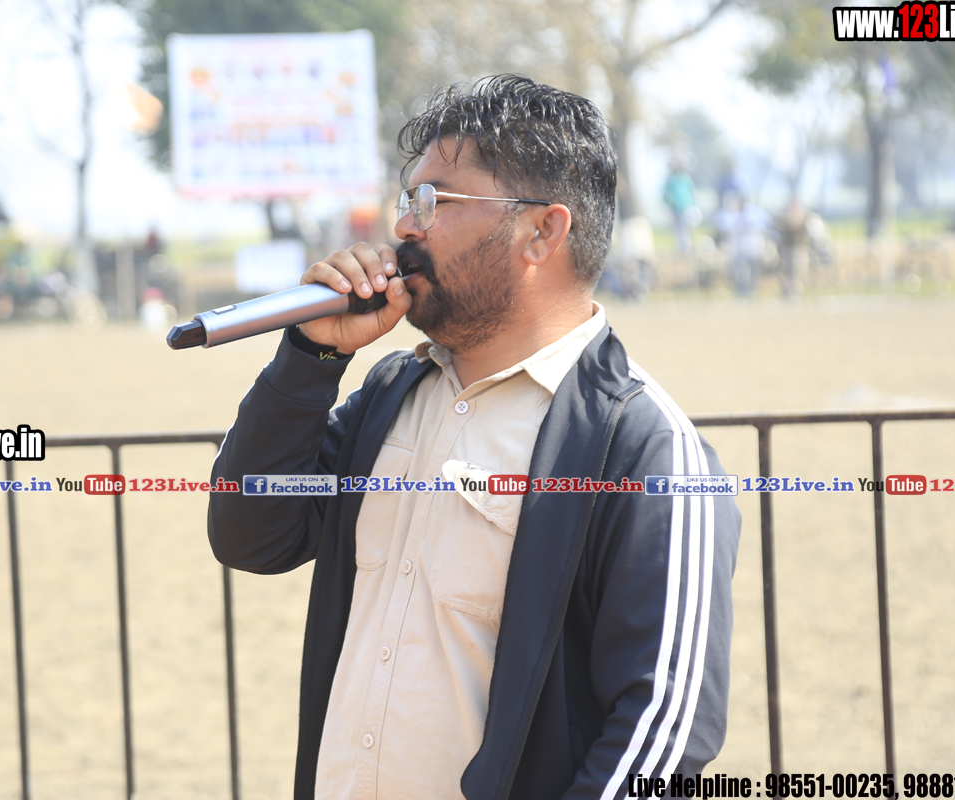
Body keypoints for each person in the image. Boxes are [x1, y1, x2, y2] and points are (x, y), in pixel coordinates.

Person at [208, 75, 741, 800]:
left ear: (542, 231)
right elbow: (251, 534)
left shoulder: (646, 449)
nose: (405, 227)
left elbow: (663, 733)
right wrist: (310, 357)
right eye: (408, 199)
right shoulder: (391, 395)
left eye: (436, 201)